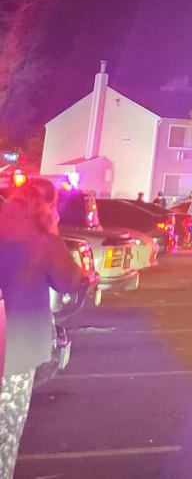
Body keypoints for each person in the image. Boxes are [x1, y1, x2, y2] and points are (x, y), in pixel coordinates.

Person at [0, 178, 90, 479]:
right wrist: (54, 231)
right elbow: (68, 280)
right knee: (6, 434)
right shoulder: (43, 240)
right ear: (47, 207)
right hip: (17, 350)